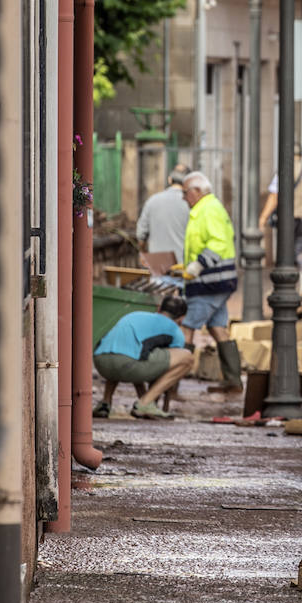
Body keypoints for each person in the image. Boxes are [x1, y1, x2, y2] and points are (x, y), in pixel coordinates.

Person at [178, 171, 243, 392]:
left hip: (209, 282)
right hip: (217, 281)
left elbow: (217, 242)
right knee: (217, 328)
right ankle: (233, 381)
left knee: (187, 328)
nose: (184, 197)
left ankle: (170, 385)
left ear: (197, 191)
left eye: (186, 192)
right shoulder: (207, 208)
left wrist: (198, 265)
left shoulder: (208, 210)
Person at [93, 295, 194, 419]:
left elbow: (141, 358)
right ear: (182, 319)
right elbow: (160, 368)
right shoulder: (175, 332)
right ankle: (145, 404)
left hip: (101, 361)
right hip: (127, 363)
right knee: (187, 358)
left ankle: (105, 402)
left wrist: (143, 395)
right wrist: (149, 400)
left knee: (127, 350)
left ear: (158, 308)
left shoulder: (135, 315)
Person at [258, 144, 302, 293]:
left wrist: (263, 218)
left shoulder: (284, 172)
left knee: (290, 251)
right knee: (301, 248)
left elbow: (274, 197)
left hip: (290, 218)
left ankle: (300, 278)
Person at [135, 163, 190, 271]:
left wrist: (143, 253)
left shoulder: (152, 201)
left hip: (157, 267)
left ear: (170, 180)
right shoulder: (190, 204)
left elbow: (141, 235)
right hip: (183, 268)